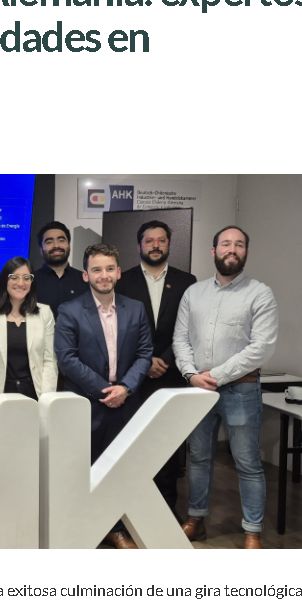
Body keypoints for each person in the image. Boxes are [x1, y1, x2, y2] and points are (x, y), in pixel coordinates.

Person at [173, 228, 279, 546]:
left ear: (246, 252)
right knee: (199, 457)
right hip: (198, 390)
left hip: (240, 391)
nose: (232, 249)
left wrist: (216, 375)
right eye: (226, 244)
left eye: (239, 244)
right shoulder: (194, 293)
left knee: (247, 463)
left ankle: (252, 531)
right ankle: (196, 519)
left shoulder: (260, 294)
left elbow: (261, 347)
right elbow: (180, 339)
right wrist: (191, 374)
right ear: (213, 251)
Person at [54, 244, 153, 548]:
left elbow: (144, 354)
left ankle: (117, 528)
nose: (104, 275)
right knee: (82, 471)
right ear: (86, 275)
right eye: (96, 269)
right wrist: (104, 390)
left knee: (120, 471)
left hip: (126, 403)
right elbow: (67, 359)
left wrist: (125, 388)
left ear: (118, 272)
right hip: (85, 404)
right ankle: (83, 531)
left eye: (110, 268)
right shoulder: (70, 310)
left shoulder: (135, 308)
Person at [117, 219, 196, 513]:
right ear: (139, 245)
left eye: (161, 240)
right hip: (134, 377)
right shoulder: (123, 281)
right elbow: (118, 329)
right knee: (134, 444)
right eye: (149, 240)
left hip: (172, 375)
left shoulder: (187, 282)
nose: (155, 245)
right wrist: (145, 360)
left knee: (168, 445)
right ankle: (133, 509)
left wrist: (166, 358)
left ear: (168, 244)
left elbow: (190, 329)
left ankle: (166, 510)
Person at [0, 260, 57, 404]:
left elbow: (50, 361)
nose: (20, 283)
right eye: (14, 277)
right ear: (5, 280)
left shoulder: (45, 313)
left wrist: (45, 401)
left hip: (35, 395)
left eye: (26, 278)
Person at [34, 219, 83, 316]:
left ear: (69, 245)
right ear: (41, 250)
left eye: (61, 240)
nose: (56, 245)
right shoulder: (30, 282)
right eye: (49, 242)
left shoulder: (84, 280)